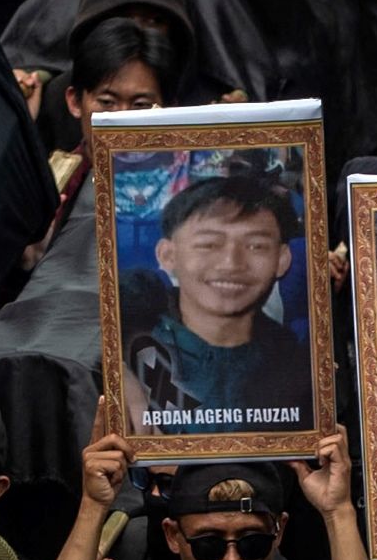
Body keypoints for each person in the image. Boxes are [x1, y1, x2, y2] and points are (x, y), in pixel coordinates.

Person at [125, 166, 312, 429]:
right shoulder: (131, 351)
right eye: (209, 245)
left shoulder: (299, 364)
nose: (231, 263)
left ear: (282, 259)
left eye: (255, 246)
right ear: (168, 255)